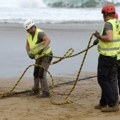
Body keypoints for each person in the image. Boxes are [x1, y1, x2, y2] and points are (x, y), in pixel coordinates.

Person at [93, 4, 120, 112]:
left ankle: (113, 103)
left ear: (105, 14)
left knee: (103, 79)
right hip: (115, 55)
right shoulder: (117, 23)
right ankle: (103, 102)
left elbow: (109, 38)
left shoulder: (108, 24)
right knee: (108, 79)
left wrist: (98, 36)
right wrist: (99, 40)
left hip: (107, 57)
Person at [24, 19, 53, 98]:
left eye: (30, 28)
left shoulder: (39, 33)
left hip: (46, 55)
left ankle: (46, 93)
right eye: (28, 30)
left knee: (41, 74)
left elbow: (48, 40)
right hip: (38, 57)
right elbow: (27, 46)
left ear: (33, 26)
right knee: (36, 73)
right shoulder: (29, 35)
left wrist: (42, 49)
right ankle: (35, 90)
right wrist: (29, 53)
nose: (29, 30)